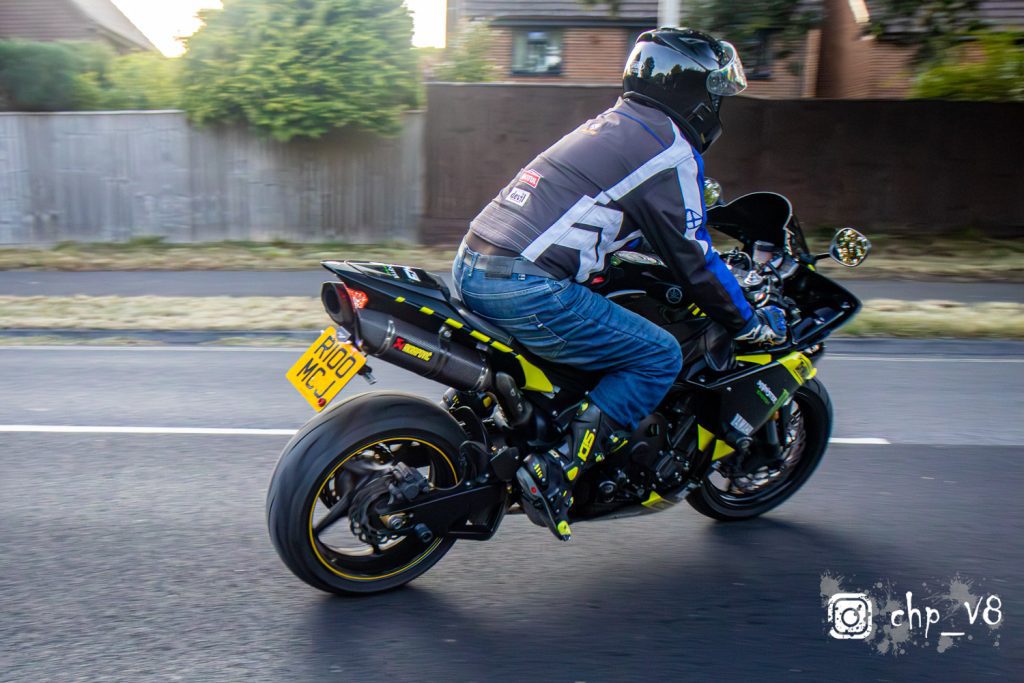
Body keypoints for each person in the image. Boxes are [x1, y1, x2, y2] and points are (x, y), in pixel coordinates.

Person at [451, 28, 787, 541]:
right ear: (691, 90)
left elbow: (617, 223)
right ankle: (559, 467)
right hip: (525, 284)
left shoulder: (611, 126)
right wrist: (746, 321)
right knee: (657, 356)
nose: (718, 105)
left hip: (473, 262)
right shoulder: (670, 149)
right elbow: (692, 255)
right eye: (715, 93)